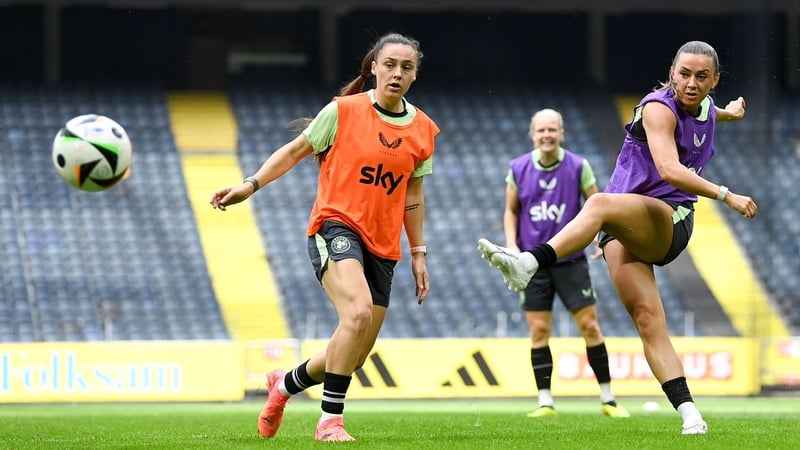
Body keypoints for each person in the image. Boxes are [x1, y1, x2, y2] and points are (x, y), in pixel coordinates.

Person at [477, 40, 754, 435]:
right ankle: (690, 414)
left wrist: (732, 120)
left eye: (702, 77)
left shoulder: (707, 105)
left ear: (715, 80)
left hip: (669, 219)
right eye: (684, 74)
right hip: (624, 227)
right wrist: (726, 188)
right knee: (647, 320)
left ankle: (530, 262)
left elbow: (681, 162)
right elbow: (668, 163)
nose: (692, 83)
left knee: (603, 204)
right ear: (671, 73)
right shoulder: (659, 108)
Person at [210, 32, 438, 442]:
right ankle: (330, 421)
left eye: (407, 67)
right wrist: (250, 184)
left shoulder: (422, 130)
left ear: (415, 74)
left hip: (384, 246)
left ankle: (284, 385)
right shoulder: (344, 111)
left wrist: (418, 253)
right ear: (373, 67)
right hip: (336, 226)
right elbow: (296, 150)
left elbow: (414, 194)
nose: (397, 73)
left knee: (354, 352)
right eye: (389, 65)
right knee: (357, 314)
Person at [500, 108, 629, 419]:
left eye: (552, 130)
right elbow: (511, 211)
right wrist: (513, 246)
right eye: (541, 130)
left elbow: (598, 205)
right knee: (539, 331)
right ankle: (545, 402)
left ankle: (608, 399)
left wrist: (601, 235)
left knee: (589, 326)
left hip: (571, 260)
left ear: (561, 133)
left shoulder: (578, 166)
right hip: (533, 264)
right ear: (533, 135)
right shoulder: (517, 169)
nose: (546, 135)